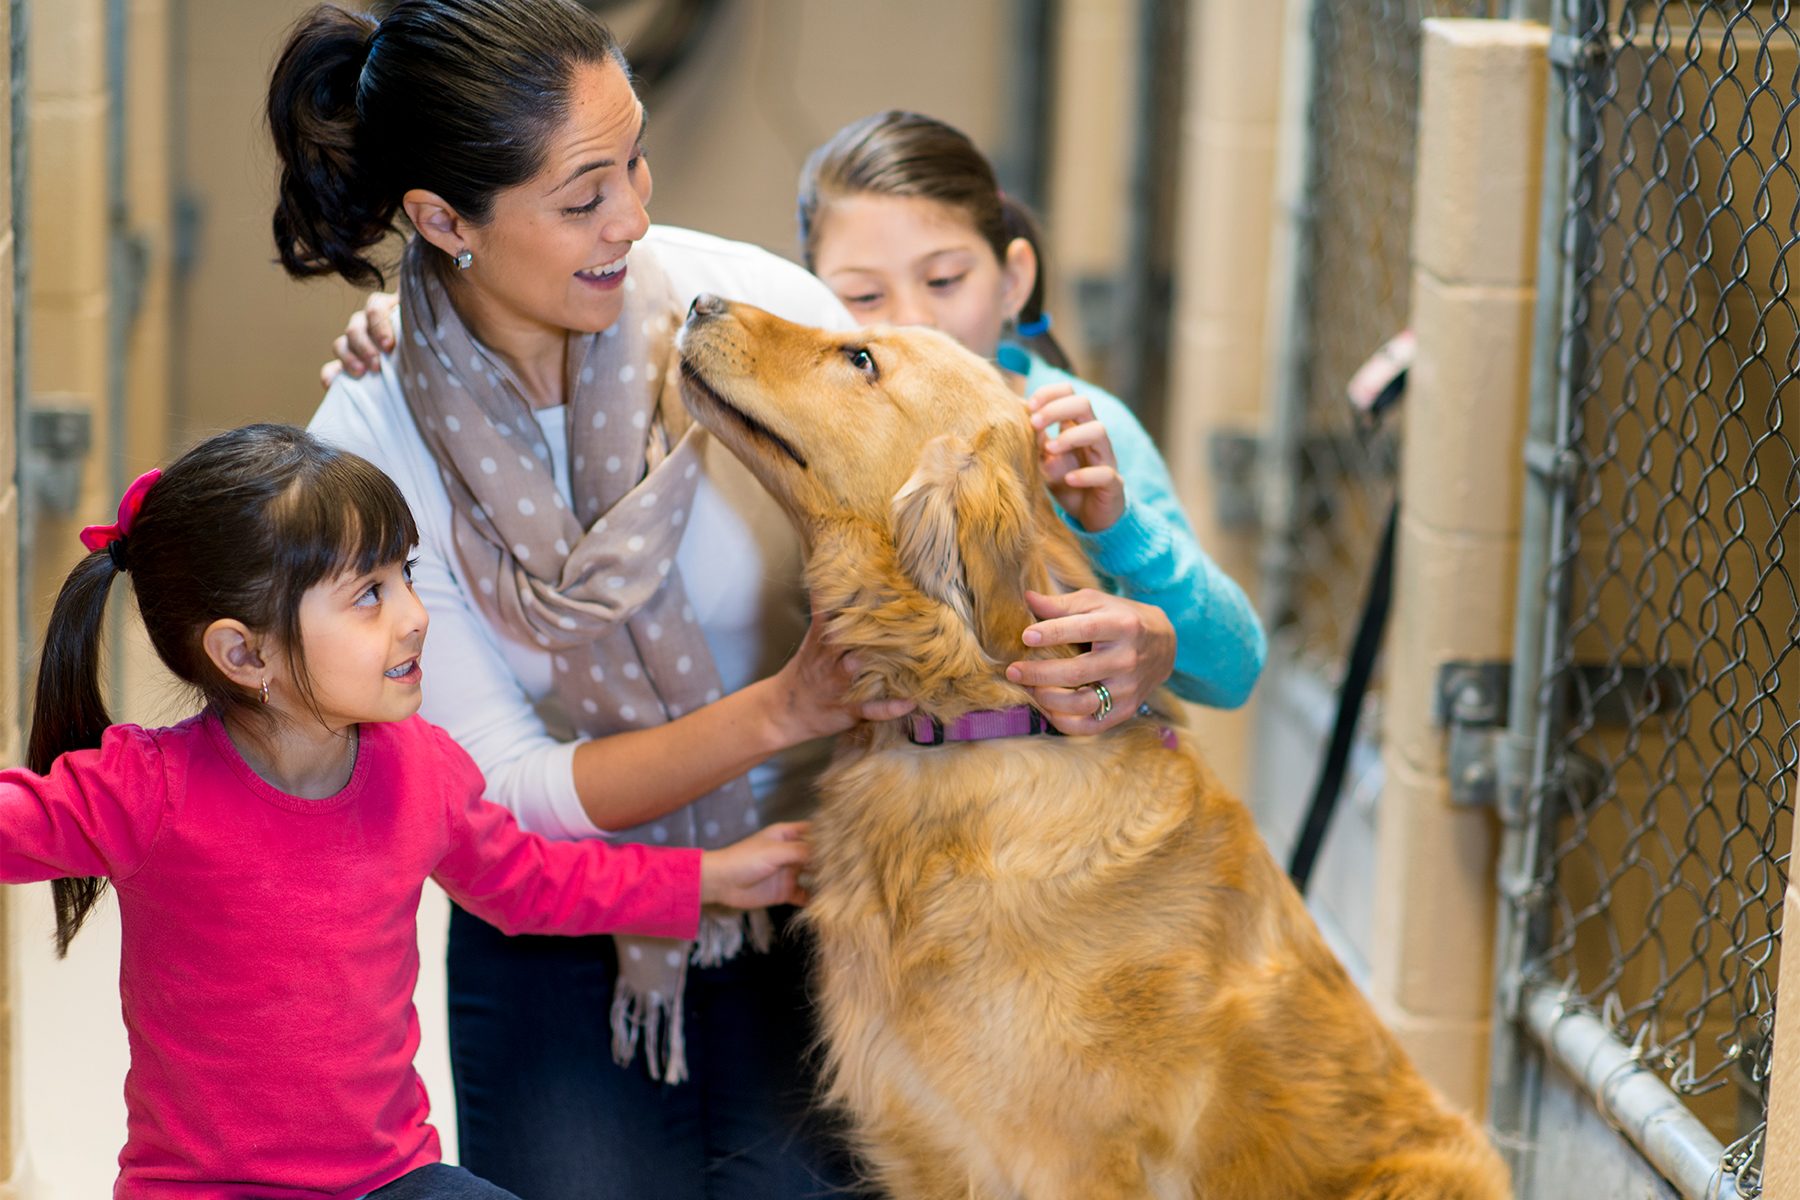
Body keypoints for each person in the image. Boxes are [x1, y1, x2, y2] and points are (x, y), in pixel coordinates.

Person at [284, 4, 1258, 1196]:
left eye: (634, 160)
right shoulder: (373, 437)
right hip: (566, 923)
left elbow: (968, 557)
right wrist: (786, 708)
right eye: (583, 196)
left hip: (831, 889)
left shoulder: (741, 306)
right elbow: (500, 793)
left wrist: (1139, 640)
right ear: (444, 221)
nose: (633, 217)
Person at [0, 424, 810, 1200]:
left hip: (392, 1182)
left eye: (405, 576)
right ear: (245, 654)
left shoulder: (421, 767)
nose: (415, 614)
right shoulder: (148, 789)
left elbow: (529, 883)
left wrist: (710, 879)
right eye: (368, 595)